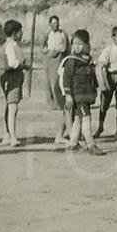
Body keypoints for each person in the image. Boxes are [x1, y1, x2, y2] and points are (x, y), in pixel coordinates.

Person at [60, 29, 106, 155]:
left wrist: (96, 88)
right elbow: (66, 79)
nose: (76, 47)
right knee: (86, 120)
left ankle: (73, 143)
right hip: (78, 96)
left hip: (85, 95)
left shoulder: (87, 60)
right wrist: (68, 95)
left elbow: (92, 76)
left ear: (87, 45)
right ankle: (91, 144)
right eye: (74, 44)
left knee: (78, 120)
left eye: (80, 44)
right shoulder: (71, 60)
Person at [43, 15, 71, 143]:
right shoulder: (47, 34)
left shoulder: (63, 34)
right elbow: (43, 47)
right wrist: (48, 51)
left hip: (58, 58)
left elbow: (65, 48)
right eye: (53, 23)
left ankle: (60, 103)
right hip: (49, 59)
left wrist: (56, 51)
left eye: (57, 23)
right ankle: (51, 102)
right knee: (48, 81)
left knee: (56, 81)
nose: (55, 25)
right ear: (50, 24)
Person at [0, 19, 26, 147]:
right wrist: (25, 66)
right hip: (12, 78)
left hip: (13, 77)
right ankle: (12, 137)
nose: (22, 34)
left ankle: (7, 135)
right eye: (20, 32)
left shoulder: (12, 45)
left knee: (10, 107)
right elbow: (13, 63)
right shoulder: (10, 46)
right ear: (15, 33)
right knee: (13, 107)